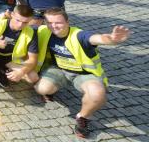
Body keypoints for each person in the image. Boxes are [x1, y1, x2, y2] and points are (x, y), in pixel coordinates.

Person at [34, 9, 131, 138]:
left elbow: (97, 38)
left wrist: (112, 39)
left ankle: (83, 118)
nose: (54, 26)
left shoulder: (79, 35)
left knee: (97, 94)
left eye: (58, 22)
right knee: (41, 88)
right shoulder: (44, 31)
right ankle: (52, 89)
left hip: (84, 74)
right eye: (50, 22)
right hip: (59, 69)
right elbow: (23, 27)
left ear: (68, 22)